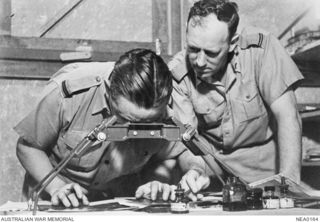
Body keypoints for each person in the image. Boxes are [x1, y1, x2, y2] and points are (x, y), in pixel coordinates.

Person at [135, 0, 304, 200]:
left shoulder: (261, 49)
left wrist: (289, 181)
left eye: (212, 53)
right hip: (216, 183)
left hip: (269, 178)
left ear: (232, 43)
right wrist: (195, 173)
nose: (199, 61)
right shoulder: (177, 76)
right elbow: (187, 144)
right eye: (193, 49)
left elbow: (288, 114)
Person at [14, 48, 205, 207]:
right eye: (124, 117)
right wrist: (55, 187)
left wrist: (194, 172)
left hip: (118, 203)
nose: (133, 129)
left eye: (146, 123)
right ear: (109, 90)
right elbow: (28, 147)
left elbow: (184, 152)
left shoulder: (164, 103)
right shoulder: (70, 94)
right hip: (59, 199)